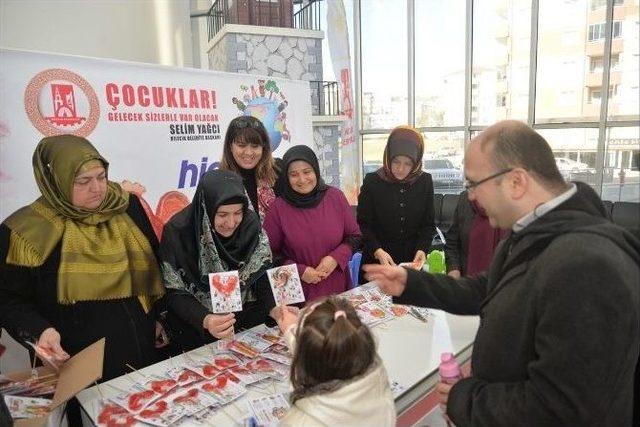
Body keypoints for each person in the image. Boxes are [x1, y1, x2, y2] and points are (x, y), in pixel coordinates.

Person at [364, 120, 640, 426]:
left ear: (516, 182)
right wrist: (412, 283)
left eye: (473, 184)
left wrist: (464, 399)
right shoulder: (536, 231)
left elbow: (561, 407)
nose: (469, 198)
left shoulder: (586, 265)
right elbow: (489, 289)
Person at [0, 135, 165, 381]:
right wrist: (39, 332)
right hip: (77, 362)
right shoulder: (25, 232)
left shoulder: (126, 206)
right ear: (56, 181)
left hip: (141, 346)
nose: (97, 188)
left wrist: (160, 316)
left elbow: (154, 263)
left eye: (101, 177)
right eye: (83, 181)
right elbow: (9, 300)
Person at [159, 170, 290, 352]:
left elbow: (261, 273)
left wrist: (275, 309)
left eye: (238, 213)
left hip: (247, 328)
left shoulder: (250, 225)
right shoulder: (179, 232)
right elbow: (174, 291)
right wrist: (206, 319)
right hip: (196, 331)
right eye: (222, 215)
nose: (231, 222)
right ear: (206, 207)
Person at [275, 295, 396, 427]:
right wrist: (290, 331)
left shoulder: (297, 423)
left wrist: (296, 331)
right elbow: (330, 347)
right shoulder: (376, 370)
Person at [263, 145, 361, 302]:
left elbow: (354, 236)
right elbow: (268, 254)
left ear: (315, 170)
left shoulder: (335, 197)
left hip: (335, 286)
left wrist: (335, 258)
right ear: (286, 178)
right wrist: (299, 271)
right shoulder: (278, 208)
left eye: (307, 172)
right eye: (294, 175)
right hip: (295, 291)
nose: (302, 179)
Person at [357, 126, 435, 270]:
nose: (400, 169)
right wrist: (377, 250)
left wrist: (422, 249)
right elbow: (363, 224)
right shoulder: (372, 181)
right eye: (396, 162)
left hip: (411, 263)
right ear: (388, 157)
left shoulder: (424, 182)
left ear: (416, 162)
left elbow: (428, 224)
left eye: (408, 164)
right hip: (378, 261)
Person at [220, 115, 283, 222]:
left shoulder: (279, 170)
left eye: (255, 146)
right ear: (230, 146)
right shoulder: (219, 182)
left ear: (264, 147)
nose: (249, 153)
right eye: (241, 145)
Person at [444, 190, 508, 278]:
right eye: (469, 184)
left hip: (504, 285)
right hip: (466, 282)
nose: (471, 196)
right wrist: (454, 269)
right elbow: (452, 243)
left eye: (475, 182)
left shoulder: (511, 203)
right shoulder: (465, 199)